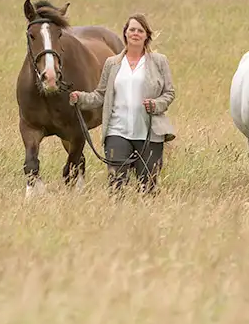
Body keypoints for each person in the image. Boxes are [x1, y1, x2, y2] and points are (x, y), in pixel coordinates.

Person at [69, 13, 176, 193]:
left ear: (146, 35)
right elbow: (100, 95)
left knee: (148, 187)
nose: (135, 33)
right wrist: (81, 98)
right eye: (131, 29)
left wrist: (156, 104)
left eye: (140, 30)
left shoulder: (159, 62)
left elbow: (169, 93)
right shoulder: (112, 63)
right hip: (117, 132)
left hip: (149, 132)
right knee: (116, 186)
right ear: (125, 33)